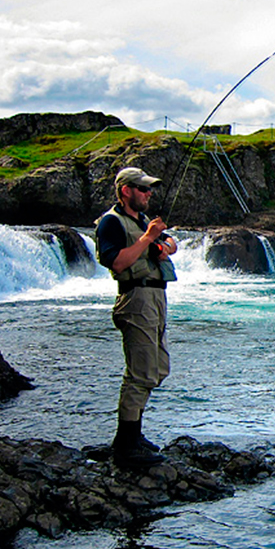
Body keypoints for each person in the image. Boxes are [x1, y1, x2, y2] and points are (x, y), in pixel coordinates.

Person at [95, 167, 178, 468]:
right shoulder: (111, 223)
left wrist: (163, 245)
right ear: (125, 191)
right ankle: (127, 443)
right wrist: (148, 239)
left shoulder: (143, 221)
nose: (149, 194)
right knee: (140, 372)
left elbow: (172, 244)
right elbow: (117, 262)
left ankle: (133, 435)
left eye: (149, 189)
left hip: (155, 297)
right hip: (135, 299)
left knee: (157, 368)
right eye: (143, 189)